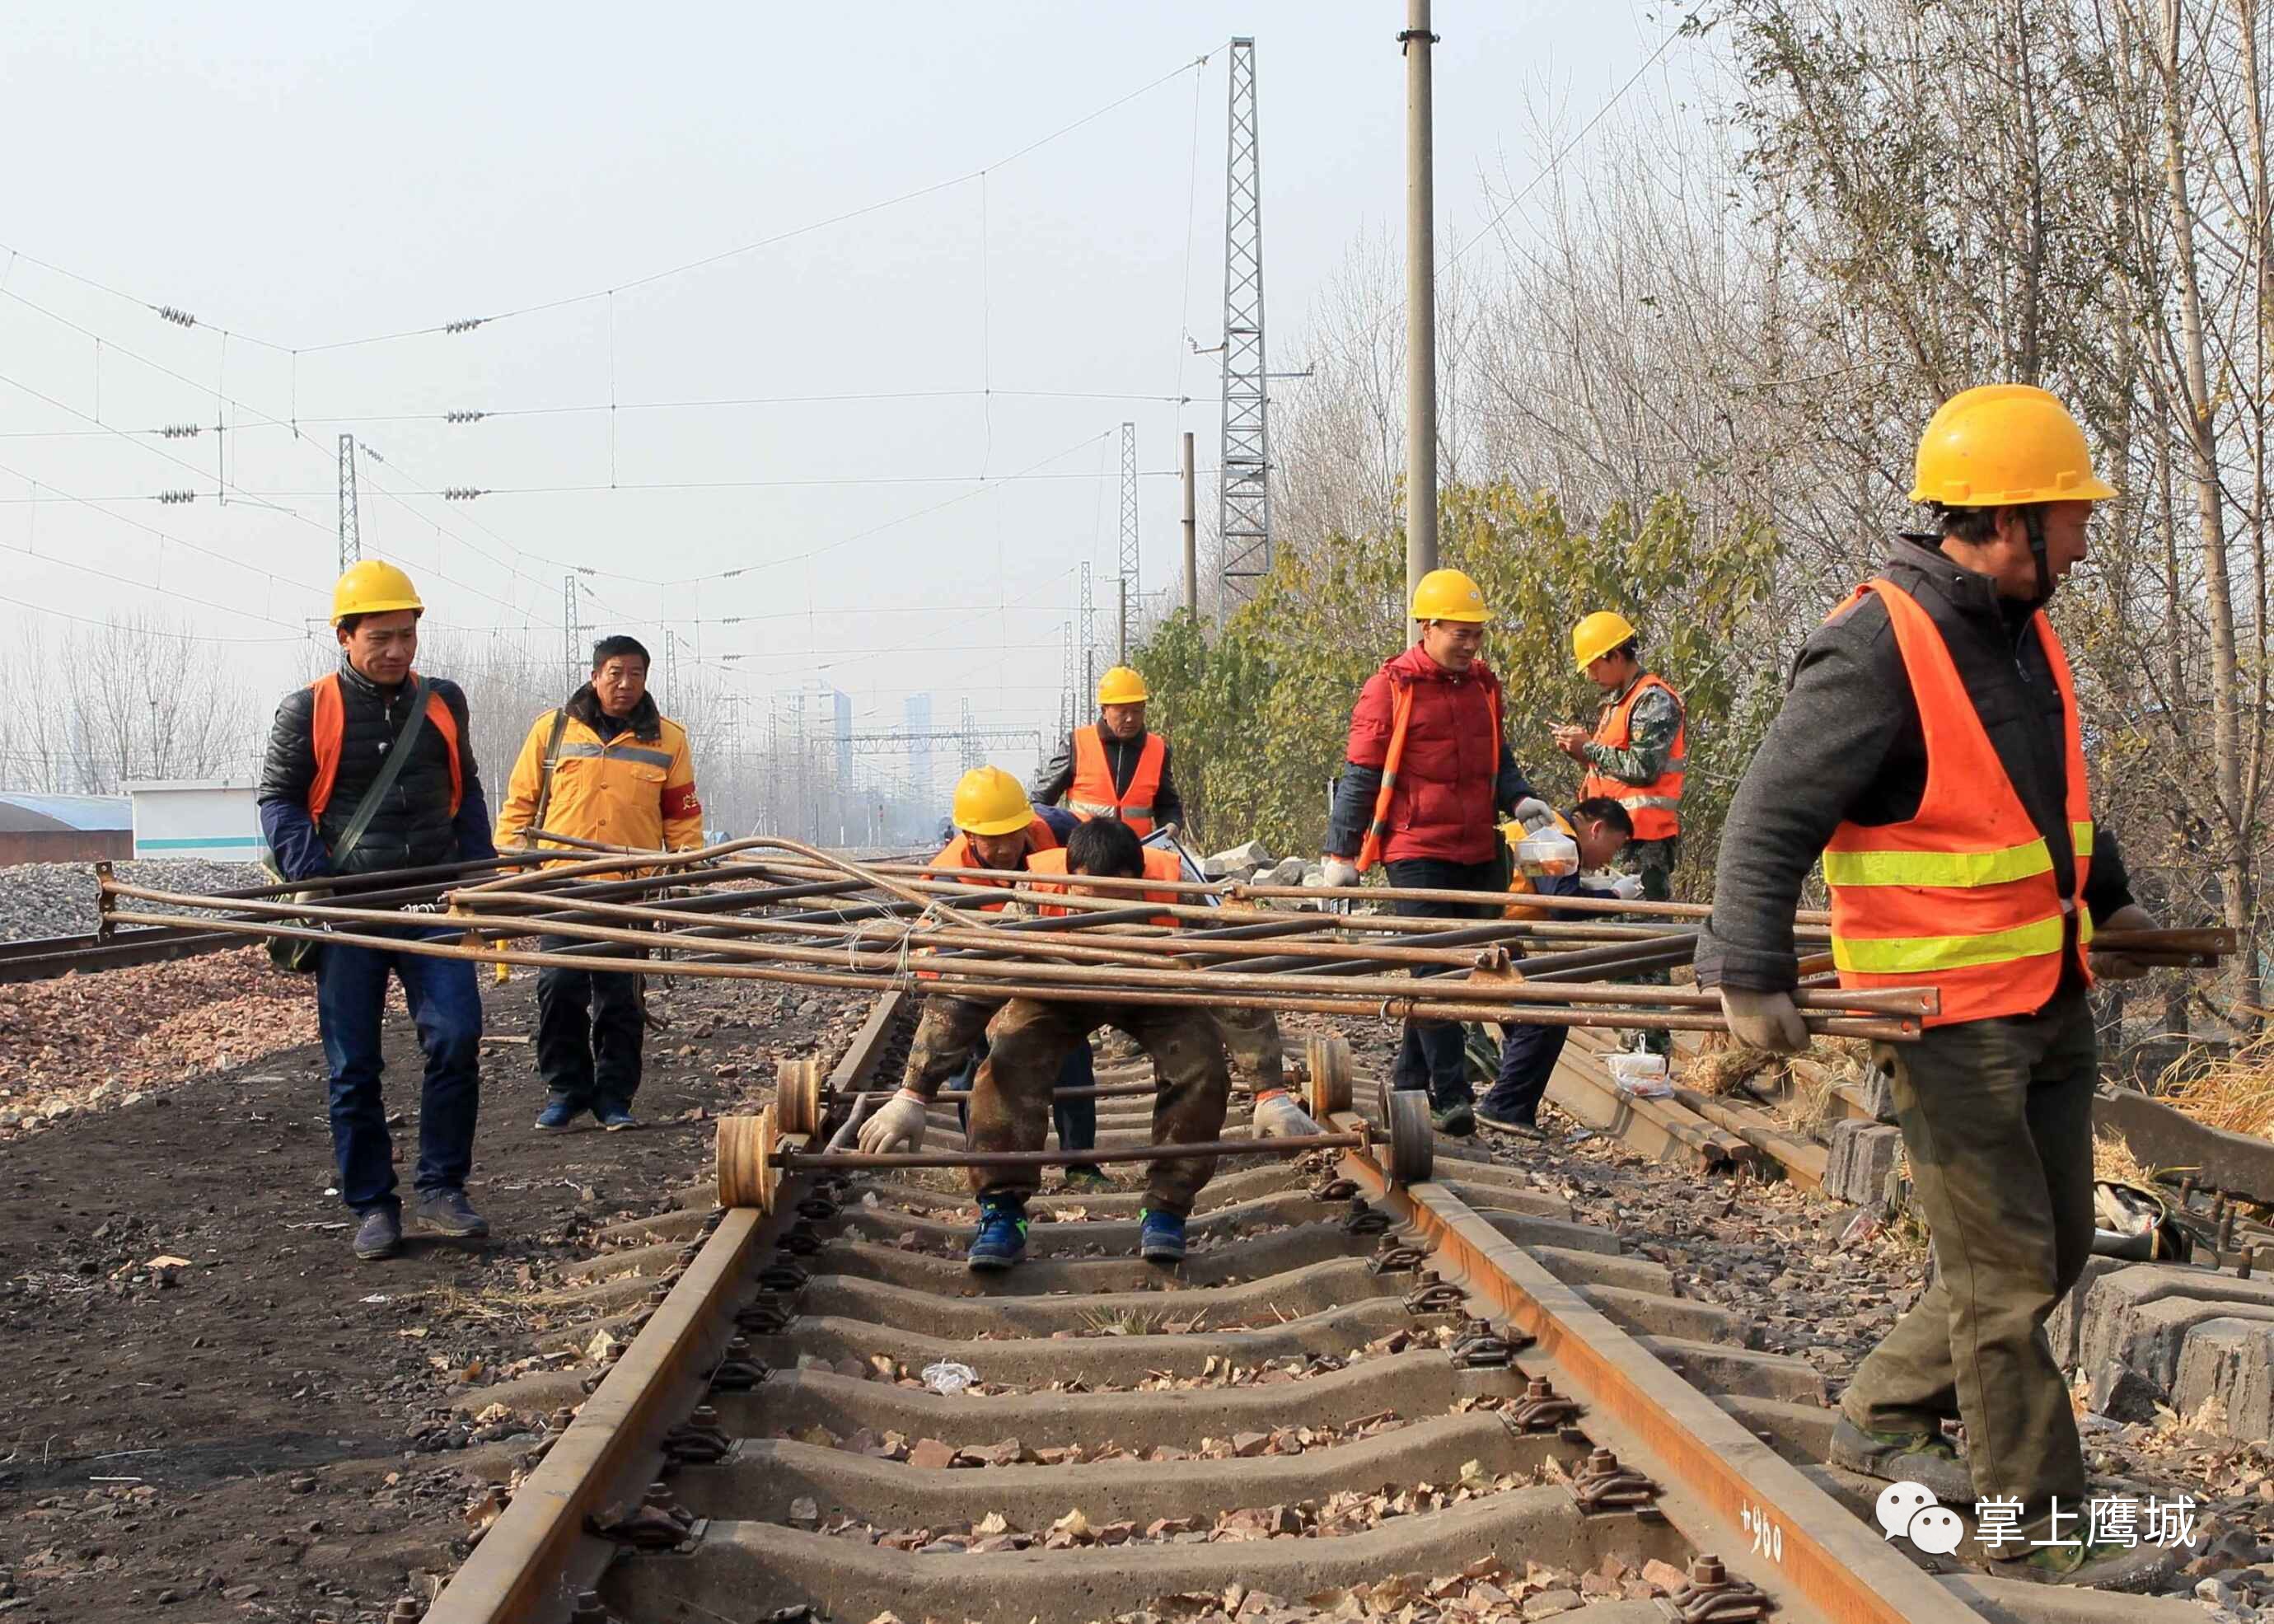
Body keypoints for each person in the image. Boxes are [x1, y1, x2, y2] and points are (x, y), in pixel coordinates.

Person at [1694, 384, 2164, 1585]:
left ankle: (1883, 1411)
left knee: (2052, 1247)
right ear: (2007, 520)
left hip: (2045, 994)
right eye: (2070, 516)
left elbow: (2043, 791)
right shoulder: (1878, 643)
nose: (2084, 538)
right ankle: (2038, 1520)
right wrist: (1747, 971)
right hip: (1945, 1015)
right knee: (2005, 1274)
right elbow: (1767, 816)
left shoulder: (2019, 625)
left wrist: (2110, 902)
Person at [257, 561, 498, 1263]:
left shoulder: (444, 700)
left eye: (407, 635)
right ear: (343, 635)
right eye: (381, 637)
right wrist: (313, 879)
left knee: (455, 1036)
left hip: (431, 902)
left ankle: (443, 1188)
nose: (397, 650)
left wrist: (479, 874)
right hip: (351, 912)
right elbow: (278, 800)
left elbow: (469, 790)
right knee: (353, 1065)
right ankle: (372, 1204)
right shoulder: (307, 708)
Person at [869, 816, 1237, 1271]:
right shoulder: (1034, 896)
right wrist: (914, 1091)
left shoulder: (1179, 893)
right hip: (1055, 985)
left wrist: (1270, 1090)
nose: (1103, 916)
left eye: (1117, 901)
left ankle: (1166, 1209)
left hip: (1153, 988)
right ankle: (1002, 1213)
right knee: (1006, 1062)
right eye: (1089, 900)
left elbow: (1232, 981)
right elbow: (969, 988)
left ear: (1138, 879)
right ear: (1069, 878)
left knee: (1201, 1066)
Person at [1321, 567, 1554, 1135]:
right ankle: (1452, 1096)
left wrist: (1520, 798)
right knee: (1434, 965)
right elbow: (1361, 773)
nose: (1470, 644)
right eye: (1460, 632)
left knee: (1470, 965)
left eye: (1477, 633)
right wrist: (1341, 854)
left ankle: (1407, 1082)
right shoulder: (1392, 686)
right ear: (1427, 627)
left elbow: (1499, 758)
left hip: (1477, 849)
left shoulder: (1482, 686)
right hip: (1416, 846)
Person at [494, 635, 703, 1133]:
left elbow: (682, 822)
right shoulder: (553, 730)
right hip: (563, 886)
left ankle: (614, 1098)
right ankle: (565, 1091)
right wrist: (507, 873)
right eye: (615, 673)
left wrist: (689, 872)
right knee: (558, 986)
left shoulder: (668, 740)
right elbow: (520, 805)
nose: (625, 684)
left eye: (635, 674)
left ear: (646, 680)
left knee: (621, 997)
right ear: (595, 676)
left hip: (630, 892)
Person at [894, 766, 1107, 1190]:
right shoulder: (945, 880)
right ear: (969, 836)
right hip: (977, 973)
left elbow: (1110, 854)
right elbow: (956, 979)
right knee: (971, 1063)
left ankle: (1080, 1162)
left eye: (1015, 833)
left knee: (1071, 1051)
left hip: (1051, 964)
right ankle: (984, 1163)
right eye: (993, 840)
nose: (1008, 847)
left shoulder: (1058, 827)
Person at [1473, 798, 1635, 1138]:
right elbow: (1562, 906)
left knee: (1532, 1017)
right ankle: (1504, 1106)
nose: (1610, 859)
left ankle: (1504, 1098)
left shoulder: (1546, 831)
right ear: (1597, 829)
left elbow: (1551, 886)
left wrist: (1595, 890)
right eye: (1613, 847)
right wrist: (1615, 899)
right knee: (1546, 1016)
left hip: (1490, 937)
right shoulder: (1553, 836)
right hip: (1486, 944)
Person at [1032, 665, 1184, 837]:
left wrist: (1173, 823)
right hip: (1086, 856)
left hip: (1136, 855)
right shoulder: (1076, 744)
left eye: (1136, 711)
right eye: (1122, 711)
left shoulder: (1157, 749)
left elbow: (1168, 805)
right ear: (1104, 711)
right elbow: (1039, 804)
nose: (1130, 718)